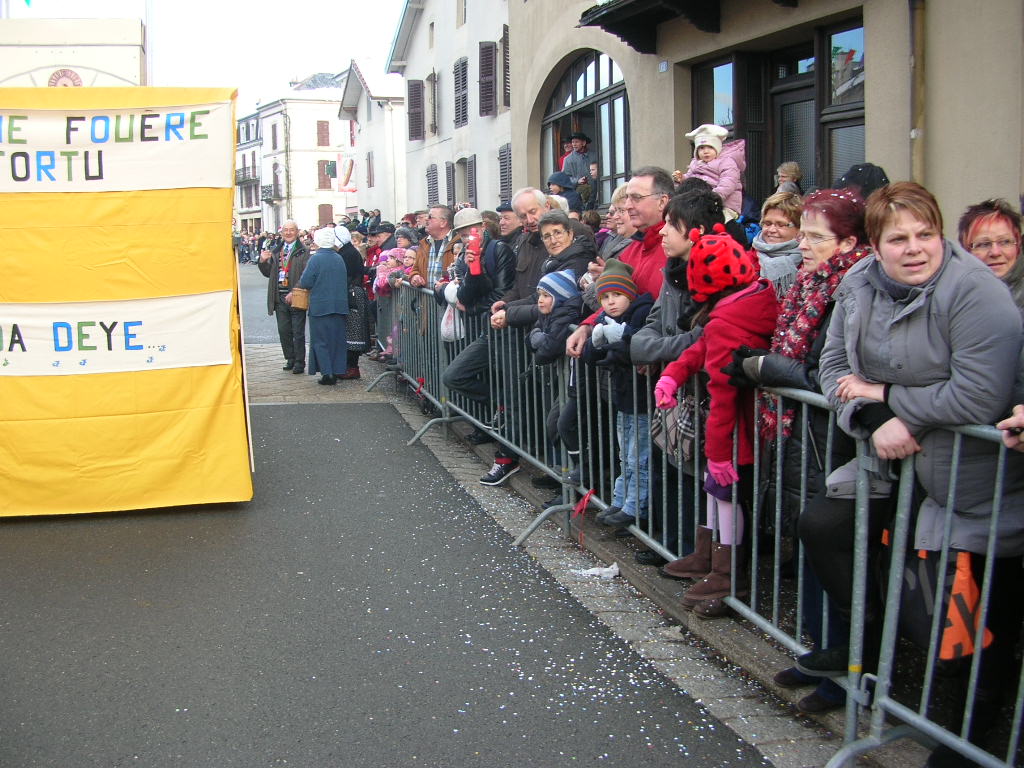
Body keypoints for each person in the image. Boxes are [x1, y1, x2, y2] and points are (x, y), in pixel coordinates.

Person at [808, 182, 1023, 767]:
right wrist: (874, 416)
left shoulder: (977, 292)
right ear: (874, 246)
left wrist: (889, 396)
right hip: (894, 461)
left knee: (973, 623)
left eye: (925, 234)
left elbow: (980, 396)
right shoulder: (857, 284)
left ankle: (966, 739)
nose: (914, 248)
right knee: (824, 523)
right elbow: (831, 368)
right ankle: (868, 659)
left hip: (976, 481)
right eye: (897, 238)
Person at [723, 188, 872, 713]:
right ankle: (817, 655)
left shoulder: (851, 290)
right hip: (805, 437)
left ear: (849, 241)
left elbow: (829, 375)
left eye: (815, 236)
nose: (804, 244)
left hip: (834, 442)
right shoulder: (812, 282)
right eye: (802, 233)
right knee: (811, 549)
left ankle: (848, 680)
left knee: (838, 559)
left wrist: (768, 369)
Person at [653, 225, 777, 613]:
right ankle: (707, 557)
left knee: (725, 495)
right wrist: (673, 374)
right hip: (737, 428)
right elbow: (702, 346)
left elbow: (723, 395)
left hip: (738, 429)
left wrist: (719, 453)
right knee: (714, 493)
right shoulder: (745, 302)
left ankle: (728, 574)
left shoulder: (726, 319)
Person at [581, 260, 655, 529]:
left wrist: (616, 341)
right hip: (622, 396)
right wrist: (601, 336)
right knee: (625, 453)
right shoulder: (606, 318)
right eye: (605, 297)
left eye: (617, 295)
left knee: (639, 455)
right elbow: (591, 355)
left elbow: (632, 349)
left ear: (629, 294)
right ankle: (620, 499)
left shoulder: (642, 312)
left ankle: (636, 506)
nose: (611, 303)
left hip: (643, 397)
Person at [258, 219, 309, 374]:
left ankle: (300, 362)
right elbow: (268, 273)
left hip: (296, 296)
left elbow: (307, 274)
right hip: (279, 297)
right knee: (284, 330)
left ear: (297, 232)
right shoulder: (275, 251)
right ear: (281, 233)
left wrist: (295, 290)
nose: (288, 233)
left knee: (298, 332)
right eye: (285, 230)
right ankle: (290, 358)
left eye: (291, 230)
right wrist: (263, 261)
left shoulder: (304, 251)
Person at [299, 228, 349, 385]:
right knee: (337, 340)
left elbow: (306, 282)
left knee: (321, 341)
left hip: (320, 305)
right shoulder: (339, 258)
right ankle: (337, 369)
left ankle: (327, 373)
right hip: (339, 305)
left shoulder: (316, 259)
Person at [957, 198, 1023, 312]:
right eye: (983, 244)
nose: (995, 252)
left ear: (1018, 247)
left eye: (1005, 242)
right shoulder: (952, 301)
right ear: (965, 251)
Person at [680, 124, 744, 217]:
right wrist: (682, 178)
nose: (706, 151)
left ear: (717, 148)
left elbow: (729, 182)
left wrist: (714, 196)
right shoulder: (695, 163)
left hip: (725, 204)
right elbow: (690, 178)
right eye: (701, 148)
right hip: (703, 203)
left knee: (719, 222)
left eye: (710, 147)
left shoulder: (726, 162)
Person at [752, 191, 804, 299]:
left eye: (780, 225)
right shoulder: (746, 260)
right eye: (767, 223)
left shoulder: (809, 263)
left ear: (799, 229)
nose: (771, 230)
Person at [560, 131, 594, 202]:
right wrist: (577, 181)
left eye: (576, 142)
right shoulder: (568, 159)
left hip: (595, 192)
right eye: (573, 142)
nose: (574, 144)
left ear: (584, 143)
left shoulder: (594, 155)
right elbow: (565, 178)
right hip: (578, 194)